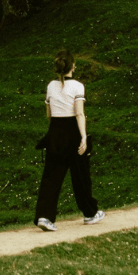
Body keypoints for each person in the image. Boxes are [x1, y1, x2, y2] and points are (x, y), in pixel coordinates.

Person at [34, 50, 104, 231]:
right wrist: (83, 136)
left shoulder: (50, 86)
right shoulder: (78, 87)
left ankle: (44, 216)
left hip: (55, 131)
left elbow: (49, 115)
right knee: (80, 175)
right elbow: (79, 113)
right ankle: (90, 213)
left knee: (51, 176)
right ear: (73, 66)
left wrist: (56, 130)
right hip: (72, 130)